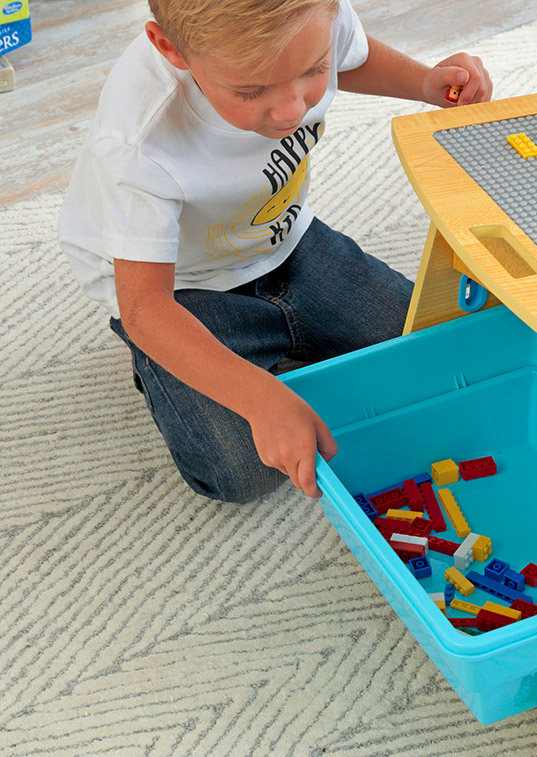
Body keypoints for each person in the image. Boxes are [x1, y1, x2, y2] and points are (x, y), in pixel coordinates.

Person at [58, 0, 492, 503]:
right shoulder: (137, 142)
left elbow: (355, 54)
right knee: (242, 473)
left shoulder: (313, 17)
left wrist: (423, 83)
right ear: (170, 48)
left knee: (436, 354)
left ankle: (269, 354)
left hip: (287, 242)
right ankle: (163, 368)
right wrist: (257, 398)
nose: (292, 109)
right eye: (251, 91)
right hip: (182, 290)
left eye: (311, 71)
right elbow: (144, 308)